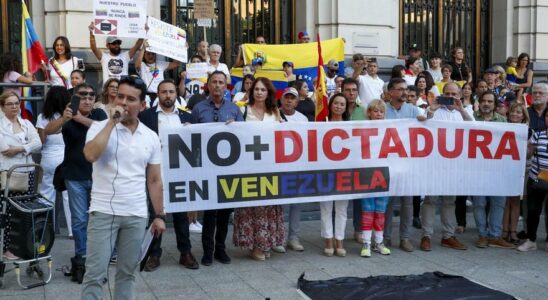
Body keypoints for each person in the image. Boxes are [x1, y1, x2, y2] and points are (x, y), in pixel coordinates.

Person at [80, 76, 165, 298]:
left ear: (142, 105)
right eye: (120, 96)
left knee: (127, 273)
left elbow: (154, 179)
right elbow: (90, 154)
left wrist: (160, 215)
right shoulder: (99, 127)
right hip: (103, 212)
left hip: (136, 214)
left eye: (131, 99)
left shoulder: (151, 137)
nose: (124, 102)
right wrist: (111, 123)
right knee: (94, 275)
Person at [49, 83, 107, 283]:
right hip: (74, 176)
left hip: (98, 176)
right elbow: (47, 131)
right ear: (75, 97)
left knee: (99, 220)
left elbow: (101, 128)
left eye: (91, 95)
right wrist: (63, 119)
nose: (88, 99)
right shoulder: (67, 115)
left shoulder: (99, 114)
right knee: (79, 221)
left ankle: (97, 257)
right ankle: (81, 258)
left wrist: (77, 117)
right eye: (83, 96)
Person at [138, 79, 197, 271]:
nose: (168, 95)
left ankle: (185, 252)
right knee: (156, 213)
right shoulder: (146, 117)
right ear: (158, 94)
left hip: (180, 173)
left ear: (176, 94)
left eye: (172, 92)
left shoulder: (188, 117)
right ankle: (154, 254)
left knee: (181, 214)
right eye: (164, 92)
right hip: (156, 173)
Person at [191, 71, 244, 266]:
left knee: (224, 213)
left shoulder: (234, 110)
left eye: (221, 82)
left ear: (226, 86)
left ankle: (220, 249)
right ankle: (207, 251)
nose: (217, 86)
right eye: (214, 82)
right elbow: (191, 138)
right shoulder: (198, 108)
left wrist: (236, 126)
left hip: (227, 170)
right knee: (209, 213)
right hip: (206, 168)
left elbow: (244, 136)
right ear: (208, 85)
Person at [233, 77, 286, 261]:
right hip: (248, 166)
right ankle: (254, 246)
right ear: (251, 91)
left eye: (263, 90)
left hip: (270, 165)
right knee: (252, 207)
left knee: (268, 206)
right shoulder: (242, 110)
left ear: (268, 92)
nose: (259, 92)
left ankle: (266, 243)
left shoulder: (275, 112)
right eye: (256, 89)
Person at [420, 82, 471, 252]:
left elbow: (476, 128)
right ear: (442, 94)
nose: (450, 97)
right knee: (430, 200)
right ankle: (426, 235)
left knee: (450, 200)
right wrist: (432, 108)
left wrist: (462, 110)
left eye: (454, 94)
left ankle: (448, 236)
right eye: (447, 94)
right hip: (434, 163)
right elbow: (421, 122)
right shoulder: (434, 111)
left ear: (459, 95)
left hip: (454, 164)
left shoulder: (464, 112)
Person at [382, 78, 424, 252]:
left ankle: (405, 238)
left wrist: (428, 115)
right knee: (388, 203)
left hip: (408, 164)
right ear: (390, 92)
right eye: (400, 89)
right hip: (388, 163)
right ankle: (385, 237)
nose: (404, 92)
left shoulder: (413, 110)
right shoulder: (382, 110)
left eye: (405, 89)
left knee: (407, 203)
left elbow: (428, 123)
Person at [470, 91, 515, 249]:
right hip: (477, 170)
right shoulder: (471, 118)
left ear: (495, 104)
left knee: (498, 203)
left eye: (490, 101)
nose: (487, 104)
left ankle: (495, 236)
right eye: (484, 101)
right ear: (479, 102)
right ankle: (482, 235)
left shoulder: (503, 121)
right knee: (479, 204)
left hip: (498, 171)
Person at [0, 92, 42, 260]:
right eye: (10, 104)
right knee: (8, 212)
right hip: (9, 173)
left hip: (28, 172)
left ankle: (23, 245)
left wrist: (19, 148)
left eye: (17, 103)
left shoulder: (26, 123)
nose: (14, 107)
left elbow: (38, 143)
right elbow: (4, 150)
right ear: (3, 106)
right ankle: (7, 248)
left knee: (25, 212)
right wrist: (27, 146)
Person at [36, 86, 72, 238]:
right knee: (69, 195)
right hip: (67, 156)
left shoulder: (42, 117)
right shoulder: (71, 115)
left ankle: (44, 230)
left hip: (49, 158)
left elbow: (41, 141)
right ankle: (72, 231)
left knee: (46, 194)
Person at [320, 93, 350, 257]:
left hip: (344, 172)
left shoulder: (350, 126)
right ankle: (328, 240)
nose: (338, 106)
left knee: (342, 209)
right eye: (336, 103)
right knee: (325, 207)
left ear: (346, 108)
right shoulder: (321, 124)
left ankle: (340, 240)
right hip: (325, 172)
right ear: (330, 105)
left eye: (342, 104)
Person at [360, 99, 391, 257]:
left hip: (384, 174)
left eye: (381, 112)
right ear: (369, 113)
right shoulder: (362, 128)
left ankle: (378, 242)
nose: (378, 114)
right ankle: (366, 242)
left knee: (380, 210)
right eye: (375, 111)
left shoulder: (390, 128)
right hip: (367, 174)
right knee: (367, 209)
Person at [278, 87, 307, 251]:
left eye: (292, 98)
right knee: (280, 204)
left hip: (297, 166)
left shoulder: (303, 119)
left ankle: (293, 238)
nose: (289, 100)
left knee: (296, 204)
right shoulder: (274, 115)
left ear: (297, 101)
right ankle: (279, 238)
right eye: (286, 97)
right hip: (280, 166)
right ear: (281, 99)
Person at [518, 106, 548, 252]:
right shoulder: (538, 135)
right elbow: (529, 154)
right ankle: (531, 240)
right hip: (536, 178)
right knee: (532, 210)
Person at [502, 102, 529, 244]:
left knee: (516, 201)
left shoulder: (528, 131)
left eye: (519, 112)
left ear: (523, 116)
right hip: (505, 169)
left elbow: (530, 153)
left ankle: (513, 231)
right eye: (512, 111)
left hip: (521, 170)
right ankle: (504, 231)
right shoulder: (502, 128)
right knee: (506, 201)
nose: (515, 114)